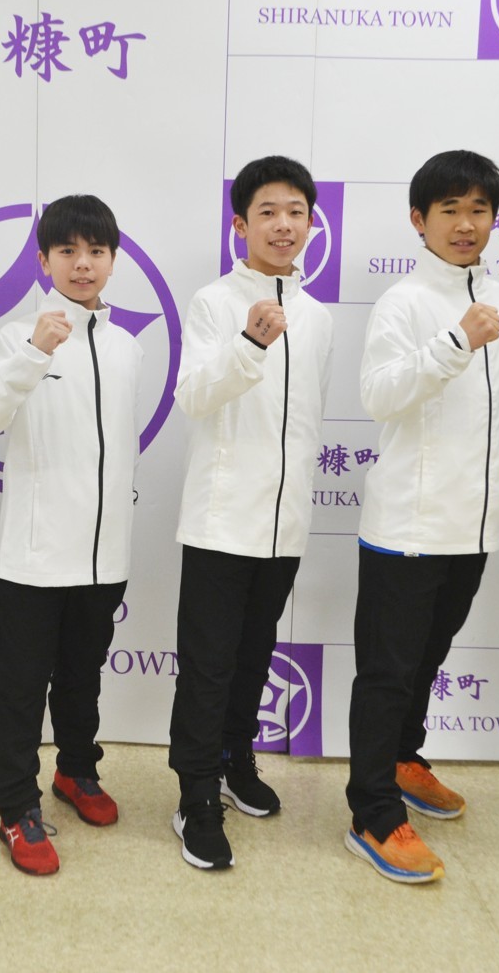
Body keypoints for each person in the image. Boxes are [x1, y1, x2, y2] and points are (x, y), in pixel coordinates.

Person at [342, 150, 499, 884]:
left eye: (478, 209)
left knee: (428, 658)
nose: (465, 223)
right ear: (419, 220)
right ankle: (372, 812)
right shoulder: (404, 301)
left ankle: (403, 759)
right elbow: (380, 396)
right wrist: (456, 341)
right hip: (407, 528)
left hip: (472, 525)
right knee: (387, 672)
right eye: (449, 210)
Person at [0, 194, 143, 876]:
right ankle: (15, 805)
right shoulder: (18, 336)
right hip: (36, 556)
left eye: (96, 250)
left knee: (82, 676)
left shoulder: (127, 346)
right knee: (20, 687)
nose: (82, 263)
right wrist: (34, 352)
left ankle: (76, 769)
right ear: (44, 261)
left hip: (105, 551)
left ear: (113, 260)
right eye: (67, 250)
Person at [168, 156, 335, 870]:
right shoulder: (214, 302)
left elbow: (307, 420)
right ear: (240, 224)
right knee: (207, 666)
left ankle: (237, 761)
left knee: (253, 655)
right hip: (220, 520)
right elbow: (193, 397)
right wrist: (249, 342)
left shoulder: (318, 316)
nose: (283, 224)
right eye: (268, 212)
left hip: (284, 521)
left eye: (296, 212)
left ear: (311, 223)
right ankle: (195, 794)